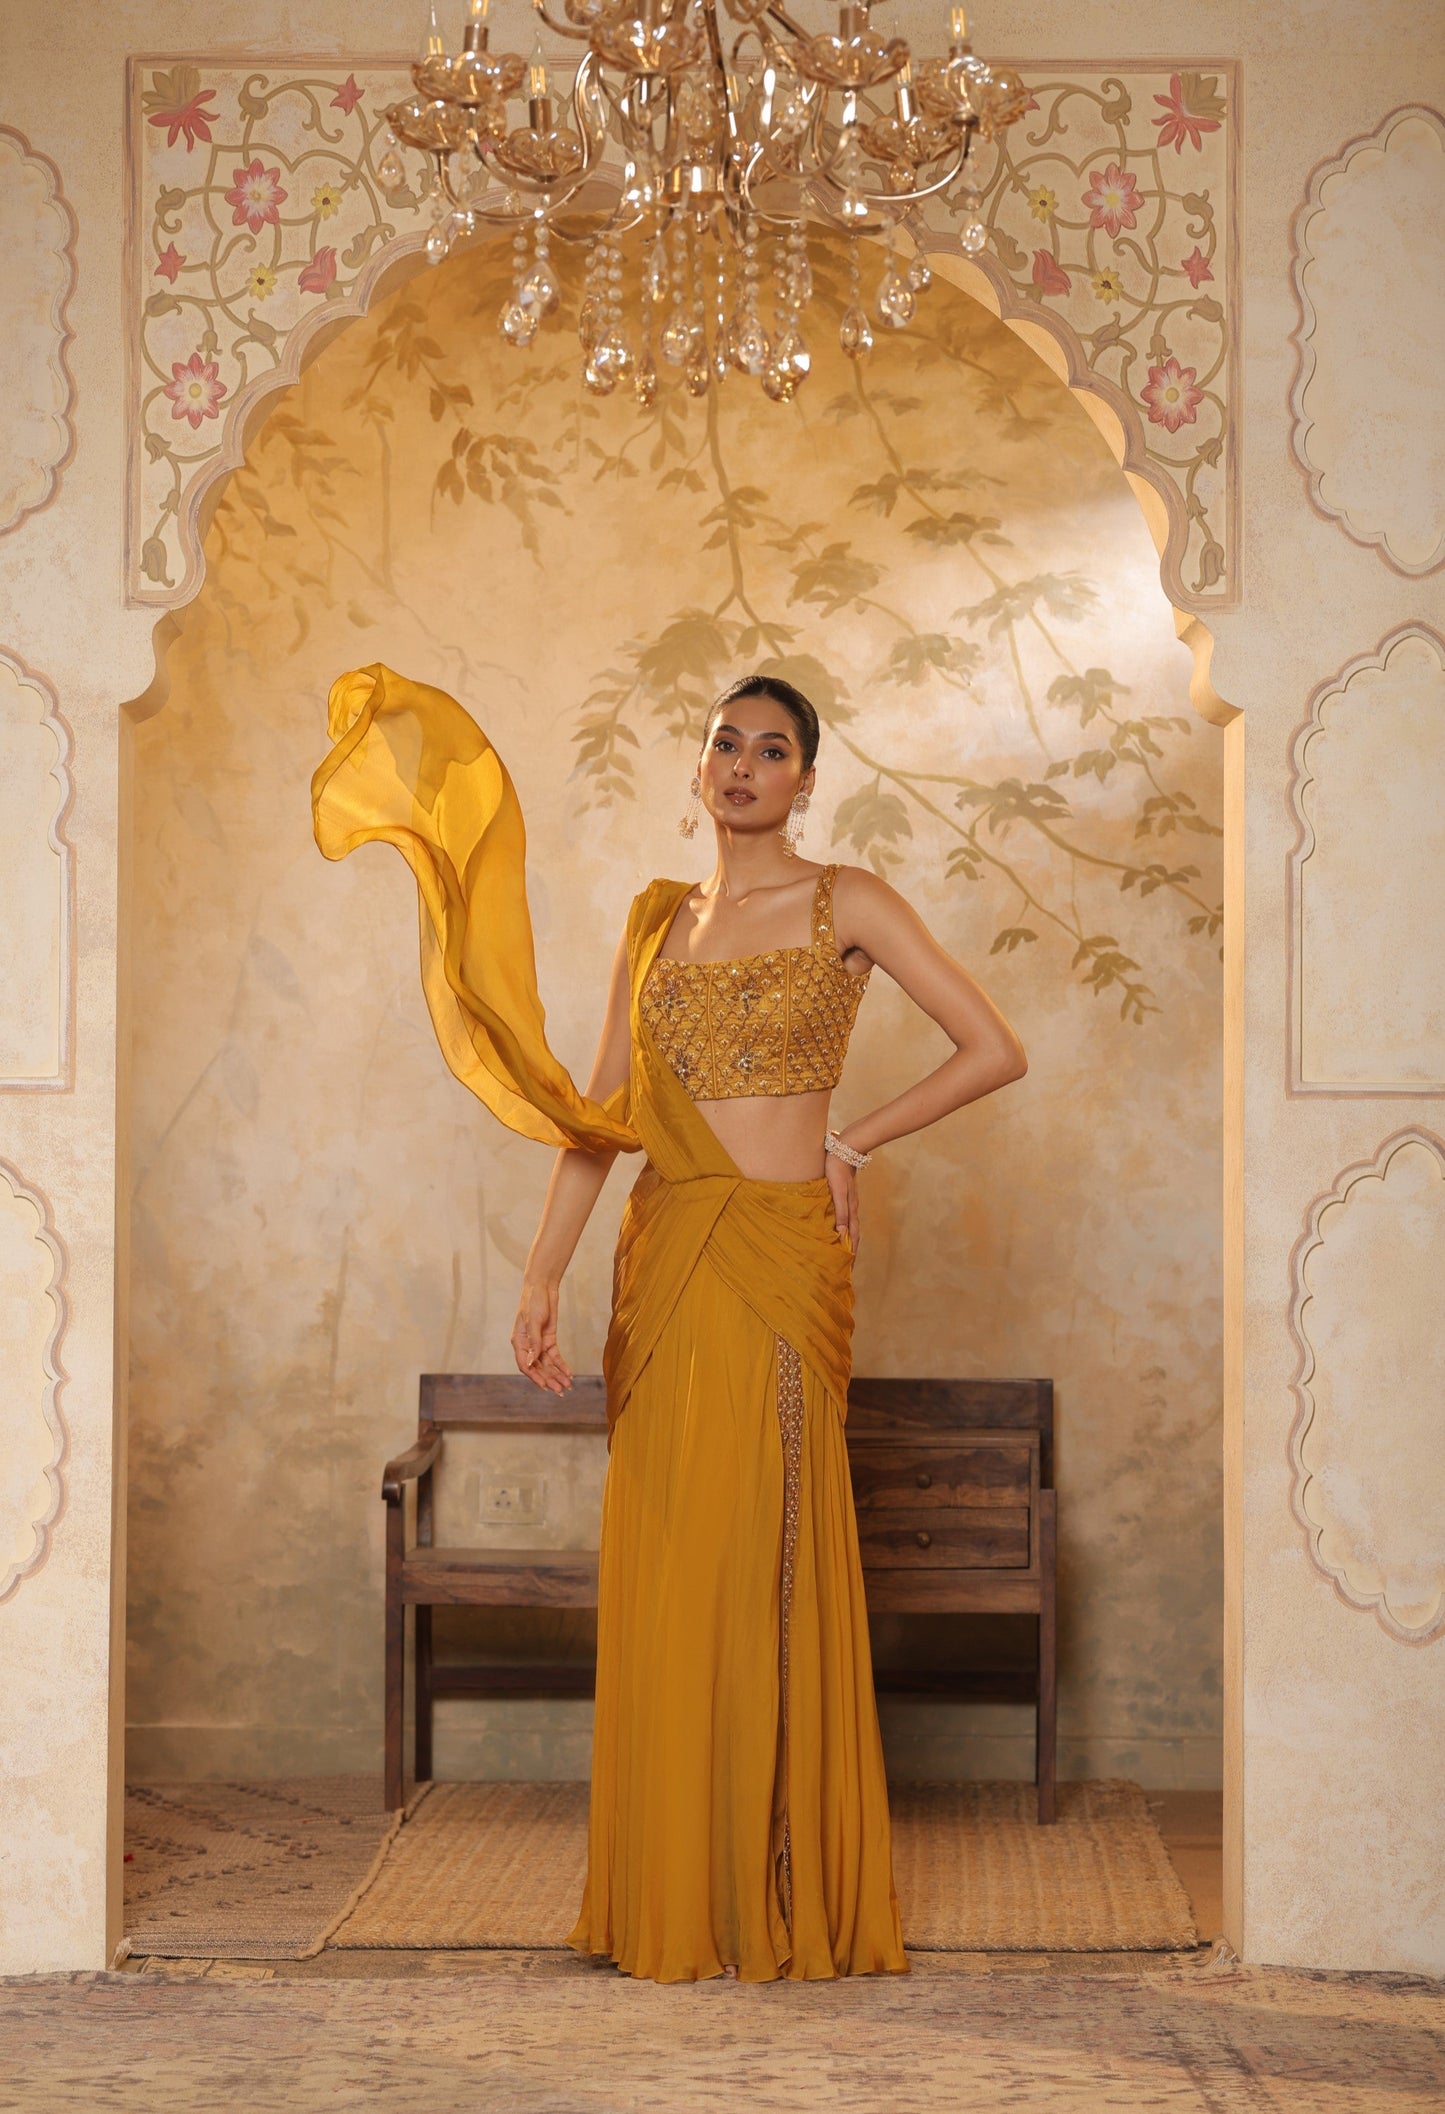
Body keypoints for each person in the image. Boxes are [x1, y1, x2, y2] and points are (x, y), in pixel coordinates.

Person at [312, 663, 1027, 1985]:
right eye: (725, 744)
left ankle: (768, 1883)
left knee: (762, 1556)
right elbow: (600, 1114)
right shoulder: (655, 922)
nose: (744, 764)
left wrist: (853, 1143)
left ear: (806, 779)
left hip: (773, 1267)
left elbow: (991, 1045)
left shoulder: (846, 901)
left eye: (772, 748)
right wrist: (539, 1279)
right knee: (673, 1561)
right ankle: (668, 1891)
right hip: (665, 1262)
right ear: (697, 771)